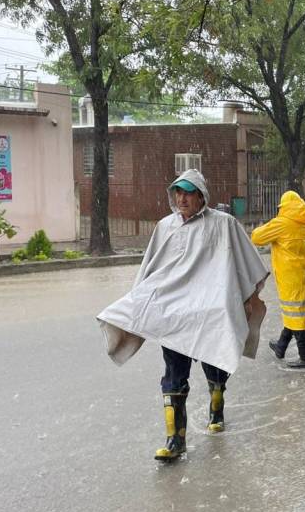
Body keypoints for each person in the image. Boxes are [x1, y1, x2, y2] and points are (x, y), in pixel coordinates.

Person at [97, 169, 269, 461]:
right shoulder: (165, 227)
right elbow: (151, 270)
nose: (182, 198)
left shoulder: (223, 224)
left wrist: (247, 300)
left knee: (215, 366)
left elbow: (245, 264)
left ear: (202, 196)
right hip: (174, 315)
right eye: (178, 192)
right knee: (174, 373)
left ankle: (217, 405)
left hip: (210, 313)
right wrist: (138, 305)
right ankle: (175, 438)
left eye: (188, 192)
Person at [251, 191, 305, 369]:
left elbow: (256, 237)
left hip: (289, 276)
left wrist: (271, 224)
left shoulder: (282, 223)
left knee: (296, 315)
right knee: (295, 311)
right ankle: (281, 346)